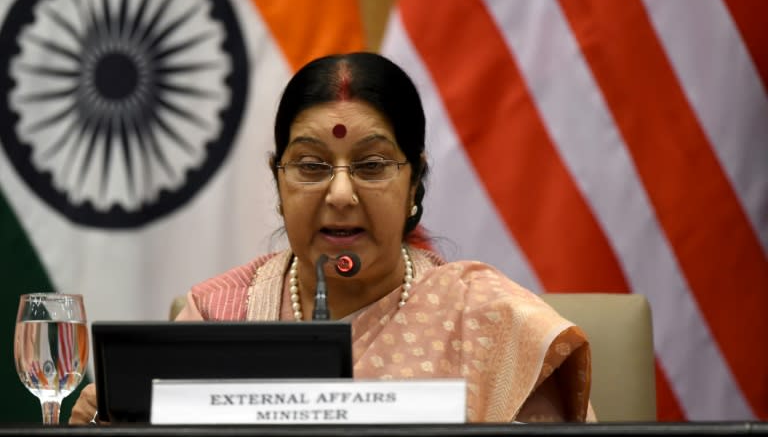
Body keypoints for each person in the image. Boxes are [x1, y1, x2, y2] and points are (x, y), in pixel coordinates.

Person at [70, 52, 594, 424]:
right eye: (311, 165)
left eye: (370, 165)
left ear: (414, 184)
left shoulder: (493, 324)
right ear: (278, 182)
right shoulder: (219, 315)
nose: (340, 193)